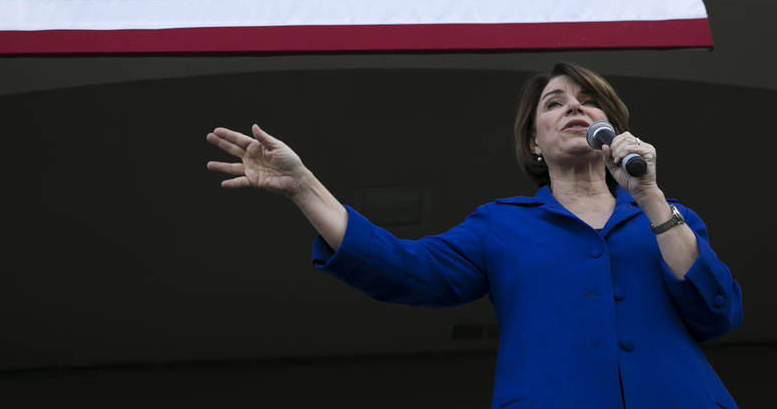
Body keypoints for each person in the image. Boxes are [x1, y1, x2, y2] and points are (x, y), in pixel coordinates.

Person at [206, 62, 742, 408]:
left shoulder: (667, 214)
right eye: (554, 102)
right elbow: (404, 269)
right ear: (534, 143)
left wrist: (649, 196)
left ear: (612, 128)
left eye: (588, 99)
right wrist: (304, 187)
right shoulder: (501, 224)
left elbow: (715, 312)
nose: (574, 107)